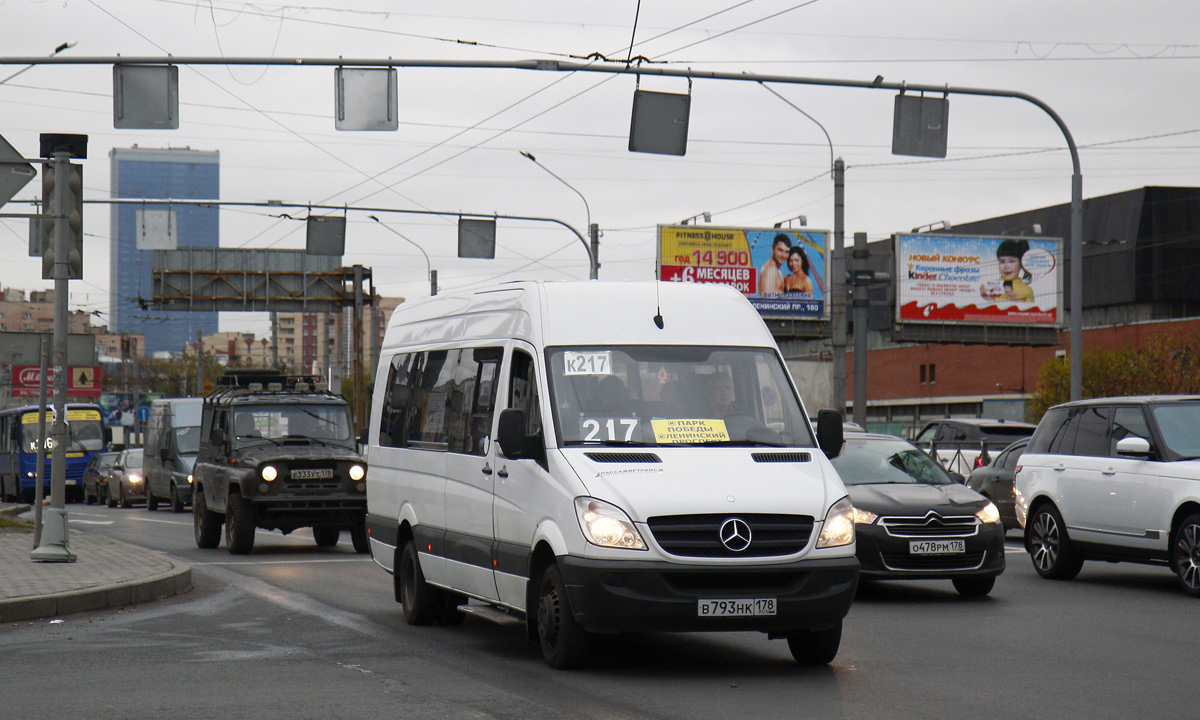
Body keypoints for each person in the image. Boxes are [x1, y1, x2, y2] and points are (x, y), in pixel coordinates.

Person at [981, 238, 1034, 302]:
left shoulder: (1026, 290)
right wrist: (986, 297)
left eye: (1011, 261)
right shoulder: (993, 286)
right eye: (1002, 262)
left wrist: (1016, 302)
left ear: (1021, 263)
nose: (1006, 266)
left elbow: (1030, 311)